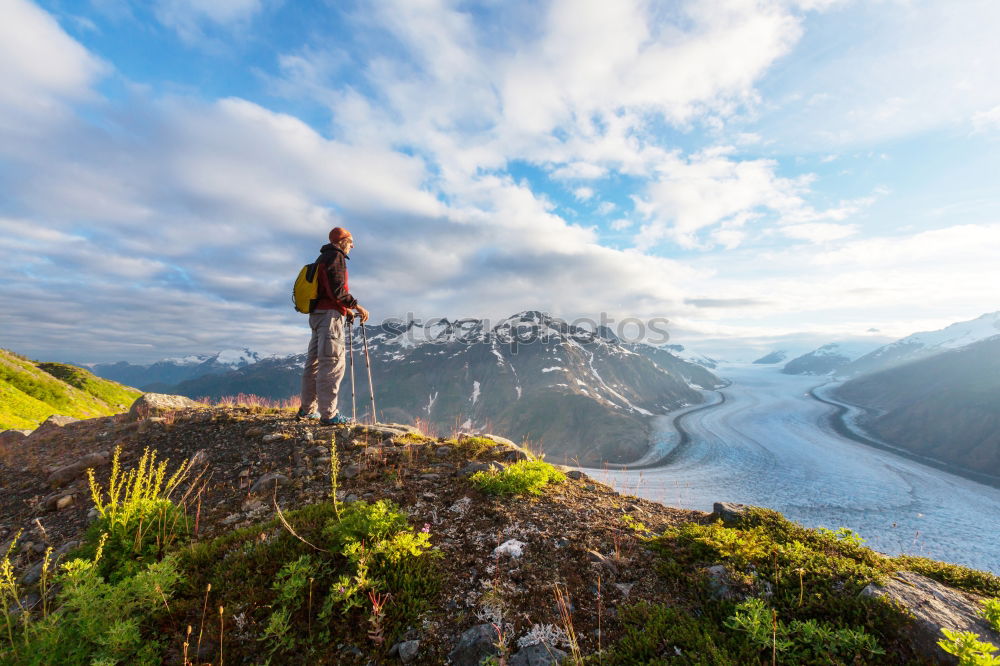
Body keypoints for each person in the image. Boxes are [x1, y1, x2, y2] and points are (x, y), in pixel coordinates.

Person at [298, 227, 369, 425]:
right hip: (330, 318)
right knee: (332, 363)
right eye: (351, 241)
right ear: (342, 241)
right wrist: (356, 306)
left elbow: (328, 291)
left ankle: (307, 410)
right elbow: (338, 291)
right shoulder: (336, 258)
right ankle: (329, 415)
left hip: (317, 316)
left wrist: (345, 310)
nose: (353, 245)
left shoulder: (321, 258)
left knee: (313, 364)